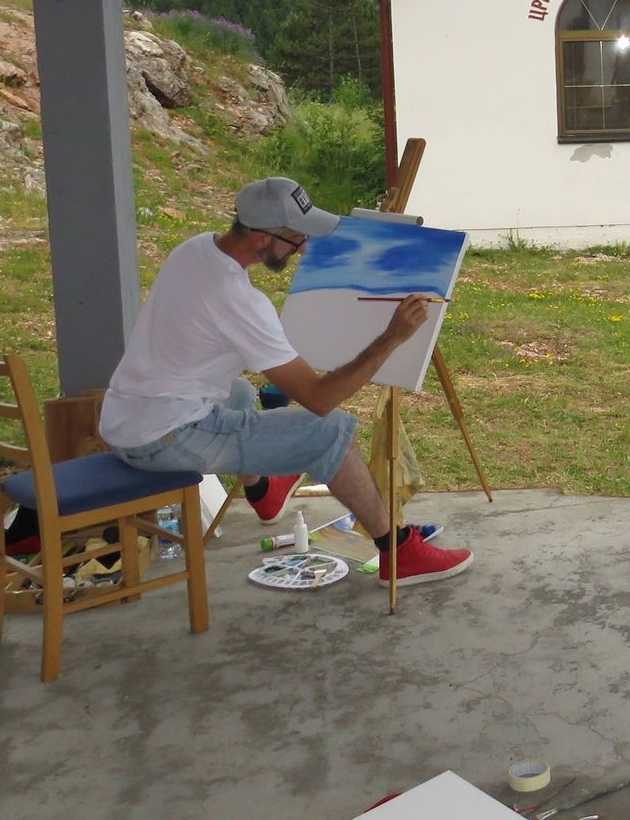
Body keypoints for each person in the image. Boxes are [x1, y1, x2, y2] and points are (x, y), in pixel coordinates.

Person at [99, 177, 473, 588]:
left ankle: (263, 492)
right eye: (297, 238)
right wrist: (391, 338)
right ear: (262, 237)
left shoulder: (195, 249)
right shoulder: (236, 298)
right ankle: (399, 551)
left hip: (122, 420)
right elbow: (319, 399)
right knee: (330, 432)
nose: (305, 249)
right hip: (162, 440)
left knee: (239, 392)